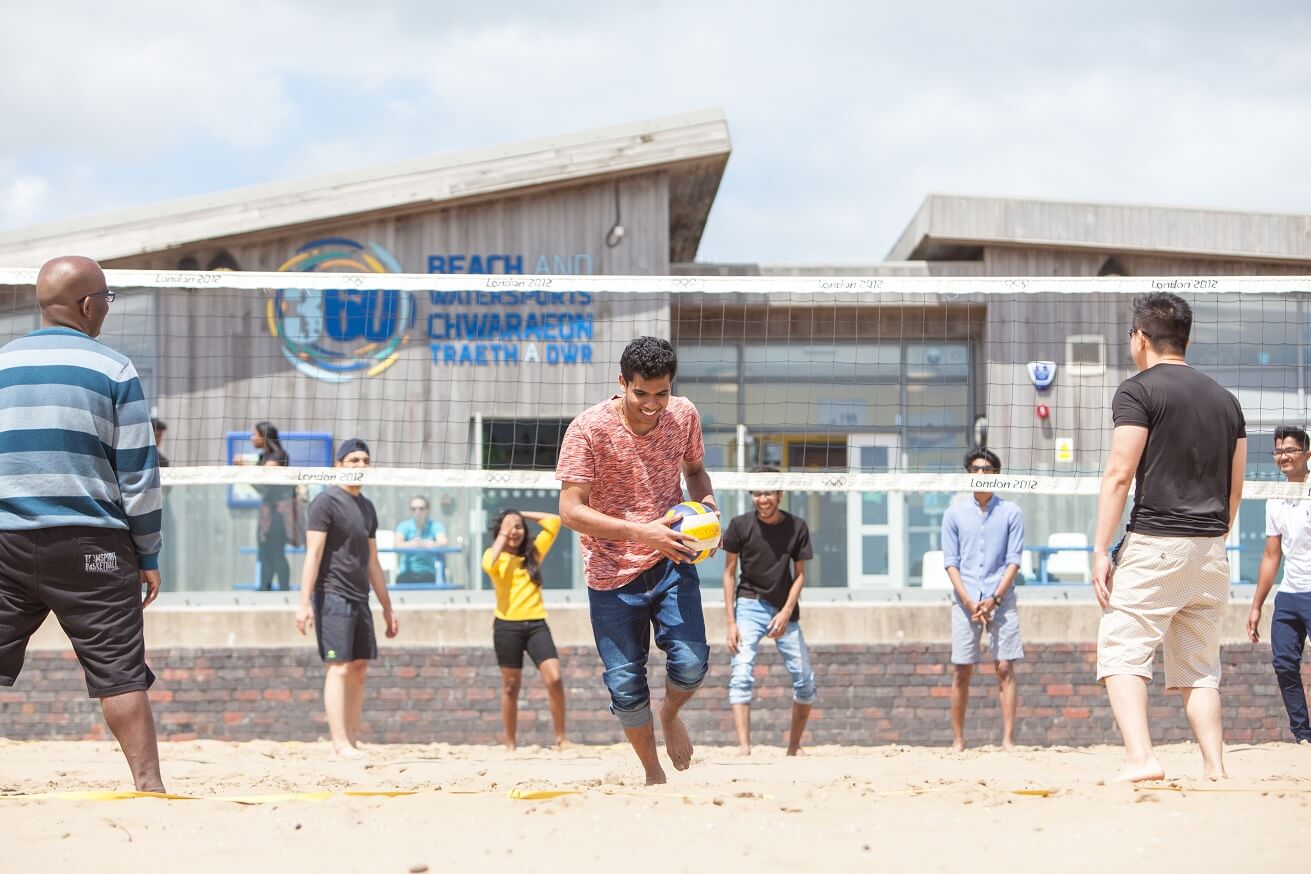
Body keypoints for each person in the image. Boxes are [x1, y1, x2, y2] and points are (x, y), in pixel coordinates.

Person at [0, 256, 165, 791]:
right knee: (120, 672)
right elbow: (138, 473)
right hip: (92, 542)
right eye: (106, 299)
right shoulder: (113, 368)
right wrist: (149, 553)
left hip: (5, 542)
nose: (107, 309)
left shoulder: (2, 364)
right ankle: (149, 786)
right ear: (88, 304)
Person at [1093, 292, 1246, 782]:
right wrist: (1213, 538)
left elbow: (1119, 474)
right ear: (1187, 340)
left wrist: (1099, 549)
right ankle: (1214, 767)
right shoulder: (1226, 400)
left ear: (1140, 338)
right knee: (1199, 668)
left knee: (1121, 649)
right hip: (1210, 548)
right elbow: (1235, 489)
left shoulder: (1136, 391)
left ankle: (1142, 759)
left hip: (1157, 542)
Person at [556, 336, 715, 785]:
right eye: (641, 392)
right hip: (610, 573)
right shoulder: (588, 429)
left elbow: (695, 471)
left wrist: (709, 511)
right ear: (622, 382)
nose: (652, 404)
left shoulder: (683, 415)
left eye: (661, 393)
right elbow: (570, 511)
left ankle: (670, 714)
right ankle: (652, 774)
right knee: (625, 686)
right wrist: (641, 531)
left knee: (691, 664)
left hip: (671, 559)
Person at [295, 438, 399, 756]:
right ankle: (339, 743)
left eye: (365, 461)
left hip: (359, 596)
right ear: (338, 465)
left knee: (359, 667)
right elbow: (313, 555)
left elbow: (373, 562)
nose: (360, 466)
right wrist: (303, 604)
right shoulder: (325, 502)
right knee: (338, 666)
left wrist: (387, 607)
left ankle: (352, 740)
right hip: (332, 594)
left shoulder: (367, 507)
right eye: (354, 460)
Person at [722, 466, 816, 756]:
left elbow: (800, 575)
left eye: (769, 493)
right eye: (758, 493)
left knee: (805, 681)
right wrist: (731, 622)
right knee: (741, 674)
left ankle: (794, 747)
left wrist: (786, 612)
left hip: (783, 609)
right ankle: (744, 749)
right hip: (749, 604)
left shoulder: (797, 527)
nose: (763, 499)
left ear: (780, 494)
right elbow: (728, 574)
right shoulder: (739, 525)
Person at [941, 447, 1025, 752]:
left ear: (996, 475)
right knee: (962, 669)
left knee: (1004, 667)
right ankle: (958, 740)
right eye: (976, 469)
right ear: (968, 474)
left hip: (1001, 598)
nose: (981, 474)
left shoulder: (1011, 512)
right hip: (965, 600)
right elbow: (951, 562)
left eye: (987, 470)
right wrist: (968, 601)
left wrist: (994, 599)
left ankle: (1008, 740)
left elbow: (1014, 560)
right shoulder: (953, 513)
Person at [482, 509, 568, 749]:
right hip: (506, 626)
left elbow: (554, 521)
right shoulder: (494, 555)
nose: (514, 531)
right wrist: (505, 529)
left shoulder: (534, 553)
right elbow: (488, 564)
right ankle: (510, 743)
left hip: (536, 624)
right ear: (500, 531)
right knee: (511, 686)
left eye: (518, 527)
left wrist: (518, 513)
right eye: (509, 527)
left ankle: (561, 738)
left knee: (555, 678)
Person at [1246, 426, 1311, 744]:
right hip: (1288, 594)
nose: (1283, 456)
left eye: (1290, 450)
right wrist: (1257, 605)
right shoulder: (1274, 498)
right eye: (1278, 451)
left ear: (1307, 454)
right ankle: (1303, 735)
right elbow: (1272, 555)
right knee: (1284, 663)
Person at [251, 422, 297, 591]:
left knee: (277, 552)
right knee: (264, 553)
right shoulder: (262, 457)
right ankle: (264, 589)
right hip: (266, 511)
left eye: (255, 435)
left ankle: (284, 589)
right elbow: (261, 487)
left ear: (264, 437)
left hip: (279, 513)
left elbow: (267, 476)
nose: (251, 438)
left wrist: (245, 468)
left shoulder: (278, 456)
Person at [394, 495, 448, 584]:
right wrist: (412, 544)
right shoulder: (404, 525)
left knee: (429, 580)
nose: (417, 511)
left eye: (421, 508)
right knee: (402, 580)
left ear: (427, 510)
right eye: (413, 509)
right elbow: (397, 544)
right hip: (406, 572)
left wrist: (431, 544)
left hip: (428, 572)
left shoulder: (435, 525)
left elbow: (444, 542)